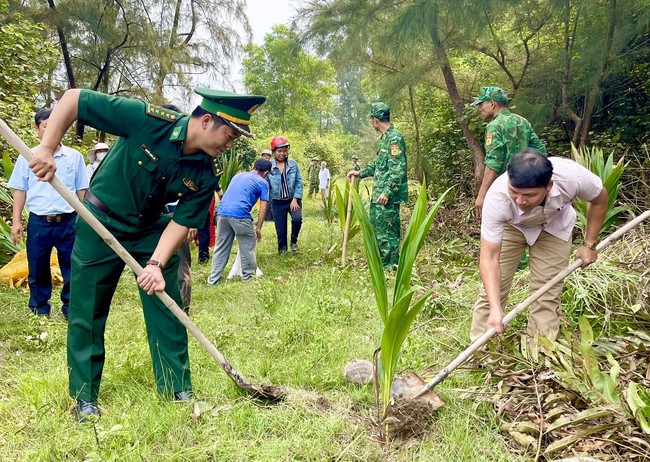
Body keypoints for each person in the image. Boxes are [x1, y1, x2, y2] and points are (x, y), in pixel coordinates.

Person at [27, 87, 265, 422]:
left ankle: (175, 386)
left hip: (151, 230)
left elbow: (182, 221)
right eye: (229, 136)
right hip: (100, 221)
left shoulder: (204, 173)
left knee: (167, 303)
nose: (230, 144)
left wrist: (155, 263)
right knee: (87, 309)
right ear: (207, 120)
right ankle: (85, 397)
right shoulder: (147, 120)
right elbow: (74, 99)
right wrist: (48, 148)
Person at [470, 150, 607, 343]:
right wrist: (495, 308)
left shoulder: (572, 177)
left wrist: (589, 244)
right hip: (512, 226)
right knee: (492, 291)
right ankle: (482, 351)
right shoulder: (497, 198)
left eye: (529, 195)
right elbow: (489, 257)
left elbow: (599, 198)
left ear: (549, 186)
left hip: (554, 226)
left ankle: (540, 351)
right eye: (514, 192)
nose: (520, 201)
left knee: (547, 292)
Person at [8, 108, 89, 318]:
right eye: (46, 126)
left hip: (68, 221)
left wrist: (89, 220)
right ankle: (39, 309)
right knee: (37, 266)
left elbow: (82, 191)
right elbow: (20, 190)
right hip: (39, 222)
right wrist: (16, 222)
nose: (51, 130)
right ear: (37, 129)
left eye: (55, 126)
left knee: (72, 266)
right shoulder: (28, 156)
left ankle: (71, 309)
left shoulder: (74, 157)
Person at [347, 102, 407, 270]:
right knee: (380, 232)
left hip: (386, 197)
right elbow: (378, 166)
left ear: (375, 120)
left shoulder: (394, 138)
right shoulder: (385, 139)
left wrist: (387, 192)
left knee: (388, 233)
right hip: (379, 194)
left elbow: (398, 170)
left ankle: (391, 267)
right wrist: (360, 173)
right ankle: (383, 265)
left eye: (370, 120)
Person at [471, 86, 547, 219]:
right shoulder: (522, 121)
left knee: (505, 230)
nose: (480, 108)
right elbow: (541, 152)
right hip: (528, 185)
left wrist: (482, 195)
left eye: (481, 104)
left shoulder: (494, 126)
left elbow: (494, 162)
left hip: (506, 188)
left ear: (492, 103)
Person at [207, 158, 271, 284]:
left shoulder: (237, 176)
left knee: (221, 247)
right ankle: (248, 278)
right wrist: (258, 227)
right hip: (240, 215)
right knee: (248, 244)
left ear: (254, 166)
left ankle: (213, 280)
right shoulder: (263, 183)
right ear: (266, 173)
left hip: (222, 213)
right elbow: (264, 206)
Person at [267, 136, 303, 253]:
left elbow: (298, 182)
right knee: (280, 229)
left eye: (284, 151)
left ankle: (293, 242)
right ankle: (282, 251)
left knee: (297, 219)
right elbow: (265, 184)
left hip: (292, 199)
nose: (282, 153)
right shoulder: (269, 167)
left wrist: (295, 199)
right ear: (274, 152)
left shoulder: (293, 164)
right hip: (277, 201)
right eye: (279, 151)